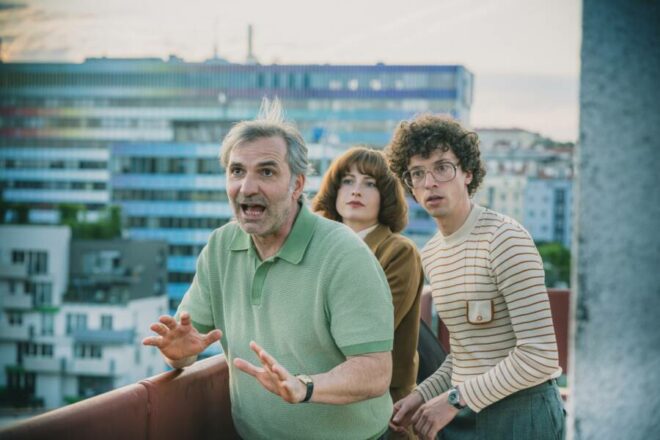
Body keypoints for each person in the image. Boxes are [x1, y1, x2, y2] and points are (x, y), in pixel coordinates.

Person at [143, 99, 395, 440]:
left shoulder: (343, 253)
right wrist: (177, 355)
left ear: (297, 185)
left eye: (266, 172)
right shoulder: (220, 246)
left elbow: (376, 371)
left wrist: (305, 387)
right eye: (237, 171)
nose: (247, 187)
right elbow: (187, 345)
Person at [385, 115, 565, 440]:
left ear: (467, 172)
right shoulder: (433, 252)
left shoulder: (504, 238)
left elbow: (539, 355)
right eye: (418, 173)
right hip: (467, 411)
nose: (430, 182)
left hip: (522, 412)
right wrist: (420, 395)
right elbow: (468, 356)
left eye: (442, 168)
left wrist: (455, 399)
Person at [312, 147, 424, 439]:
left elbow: (369, 330)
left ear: (385, 195)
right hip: (324, 404)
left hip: (384, 411)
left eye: (369, 183)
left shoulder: (398, 252)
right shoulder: (318, 250)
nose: (356, 191)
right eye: (347, 181)